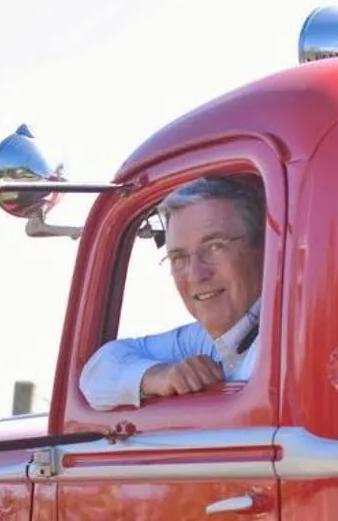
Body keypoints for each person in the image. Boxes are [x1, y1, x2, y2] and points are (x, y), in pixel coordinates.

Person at [78, 175, 266, 411]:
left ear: (265, 248)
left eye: (215, 247)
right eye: (179, 258)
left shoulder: (286, 341)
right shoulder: (216, 339)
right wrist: (159, 376)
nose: (195, 274)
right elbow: (97, 372)